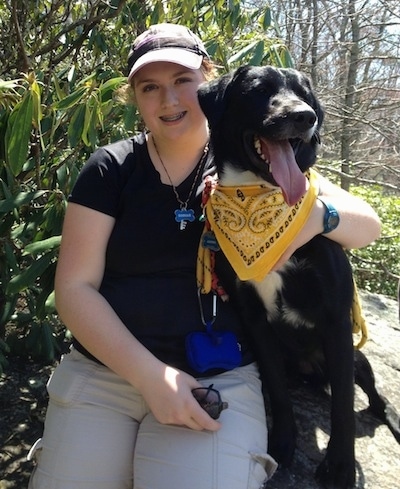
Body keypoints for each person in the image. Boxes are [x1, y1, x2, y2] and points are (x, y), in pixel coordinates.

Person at [27, 23, 381, 489]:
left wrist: (317, 218)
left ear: (208, 83)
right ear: (134, 97)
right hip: (107, 371)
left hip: (219, 375)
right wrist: (151, 377)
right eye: (150, 87)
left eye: (182, 82)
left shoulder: (258, 164)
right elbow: (73, 289)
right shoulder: (111, 168)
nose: (169, 100)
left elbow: (367, 224)